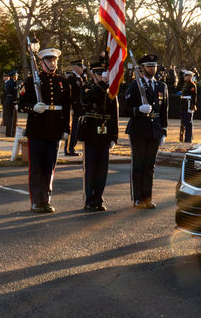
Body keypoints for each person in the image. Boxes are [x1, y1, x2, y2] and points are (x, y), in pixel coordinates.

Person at [19, 48, 71, 213]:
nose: (52, 63)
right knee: (36, 167)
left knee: (50, 167)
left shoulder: (62, 82)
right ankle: (36, 201)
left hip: (55, 129)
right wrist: (33, 108)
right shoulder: (32, 81)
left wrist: (66, 129)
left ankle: (46, 200)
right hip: (37, 129)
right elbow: (21, 105)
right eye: (48, 61)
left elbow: (66, 107)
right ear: (41, 63)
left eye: (54, 60)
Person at [123, 54, 168, 209]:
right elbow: (126, 109)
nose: (152, 69)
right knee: (138, 164)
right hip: (138, 129)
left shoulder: (162, 86)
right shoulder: (135, 85)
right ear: (142, 68)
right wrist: (138, 110)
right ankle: (138, 198)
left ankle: (147, 197)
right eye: (149, 66)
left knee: (150, 165)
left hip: (154, 129)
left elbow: (164, 111)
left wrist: (164, 130)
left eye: (154, 66)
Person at [78, 65, 118, 212]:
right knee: (90, 168)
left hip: (105, 132)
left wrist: (114, 136)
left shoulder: (111, 90)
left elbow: (114, 113)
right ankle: (89, 199)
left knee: (102, 168)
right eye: (100, 74)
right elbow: (86, 100)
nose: (103, 76)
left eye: (104, 74)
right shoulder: (87, 87)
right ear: (93, 75)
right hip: (90, 132)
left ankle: (98, 198)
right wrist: (101, 84)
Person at [64, 59, 85, 157]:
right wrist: (71, 107)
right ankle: (69, 149)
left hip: (79, 108)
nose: (82, 68)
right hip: (73, 108)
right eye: (81, 67)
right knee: (72, 129)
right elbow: (69, 95)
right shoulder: (71, 78)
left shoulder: (79, 78)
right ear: (76, 67)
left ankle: (72, 147)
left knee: (76, 129)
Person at [178, 69, 197, 143]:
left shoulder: (192, 85)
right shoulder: (185, 84)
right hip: (184, 104)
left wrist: (192, 106)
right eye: (184, 75)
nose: (184, 77)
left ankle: (188, 139)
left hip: (188, 104)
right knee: (183, 122)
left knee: (188, 123)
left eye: (186, 75)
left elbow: (194, 96)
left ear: (190, 76)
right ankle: (183, 138)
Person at [3, 70, 19, 137]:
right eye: (16, 75)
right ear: (14, 76)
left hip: (8, 101)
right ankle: (11, 133)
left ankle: (8, 133)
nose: (17, 76)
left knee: (9, 118)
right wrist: (15, 102)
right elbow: (14, 94)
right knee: (12, 119)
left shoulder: (7, 82)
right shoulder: (14, 83)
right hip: (12, 102)